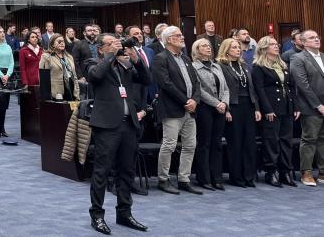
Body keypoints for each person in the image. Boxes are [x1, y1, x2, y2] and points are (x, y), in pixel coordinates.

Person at [87, 34, 150, 235]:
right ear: (100, 48)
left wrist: (136, 59)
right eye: (111, 44)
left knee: (127, 171)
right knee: (102, 172)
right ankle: (97, 215)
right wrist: (111, 56)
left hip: (128, 124)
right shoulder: (93, 63)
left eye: (117, 43)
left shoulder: (124, 66)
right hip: (107, 126)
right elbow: (96, 76)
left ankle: (124, 213)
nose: (116, 46)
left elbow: (147, 80)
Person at [151, 25, 202, 195]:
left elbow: (196, 82)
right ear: (168, 39)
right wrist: (185, 100)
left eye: (181, 35)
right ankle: (163, 179)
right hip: (172, 109)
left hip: (190, 109)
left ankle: (183, 179)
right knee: (169, 145)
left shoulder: (186, 58)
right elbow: (166, 84)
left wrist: (195, 100)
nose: (182, 37)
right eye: (178, 35)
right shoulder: (161, 58)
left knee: (190, 145)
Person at [252, 35, 299, 187]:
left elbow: (291, 87)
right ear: (264, 48)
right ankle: (271, 172)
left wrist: (295, 106)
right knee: (272, 141)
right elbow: (259, 90)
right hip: (271, 109)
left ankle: (285, 171)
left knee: (286, 141)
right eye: (272, 44)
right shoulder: (258, 67)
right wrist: (267, 109)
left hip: (287, 107)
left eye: (276, 44)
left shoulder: (283, 64)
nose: (276, 46)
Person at [216, 37, 260, 187]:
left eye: (238, 47)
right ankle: (237, 177)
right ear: (226, 50)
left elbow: (252, 89)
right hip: (233, 107)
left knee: (249, 142)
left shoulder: (244, 65)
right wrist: (226, 109)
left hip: (248, 105)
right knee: (236, 143)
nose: (238, 50)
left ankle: (249, 176)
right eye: (234, 47)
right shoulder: (221, 66)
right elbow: (221, 89)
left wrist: (256, 108)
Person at [283, 30, 324, 186]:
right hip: (310, 106)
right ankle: (306, 172)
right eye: (312, 38)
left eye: (317, 37)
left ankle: (322, 172)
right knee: (309, 139)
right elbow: (302, 85)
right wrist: (318, 105)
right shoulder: (298, 58)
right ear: (303, 42)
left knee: (323, 139)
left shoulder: (323, 56)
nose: (316, 39)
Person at [191, 38, 229, 191]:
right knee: (204, 144)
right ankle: (204, 178)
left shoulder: (216, 66)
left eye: (208, 45)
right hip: (205, 108)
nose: (208, 48)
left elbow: (225, 88)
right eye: (204, 46)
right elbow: (198, 90)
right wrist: (216, 103)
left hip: (220, 109)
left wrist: (224, 103)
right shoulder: (194, 67)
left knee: (217, 144)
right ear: (197, 50)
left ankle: (216, 177)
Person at [40, 35, 80, 102]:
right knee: (61, 108)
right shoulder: (47, 57)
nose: (62, 43)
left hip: (71, 88)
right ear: (52, 44)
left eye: (63, 41)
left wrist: (77, 90)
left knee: (72, 108)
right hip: (56, 91)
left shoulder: (69, 57)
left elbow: (74, 75)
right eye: (59, 41)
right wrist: (46, 95)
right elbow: (43, 78)